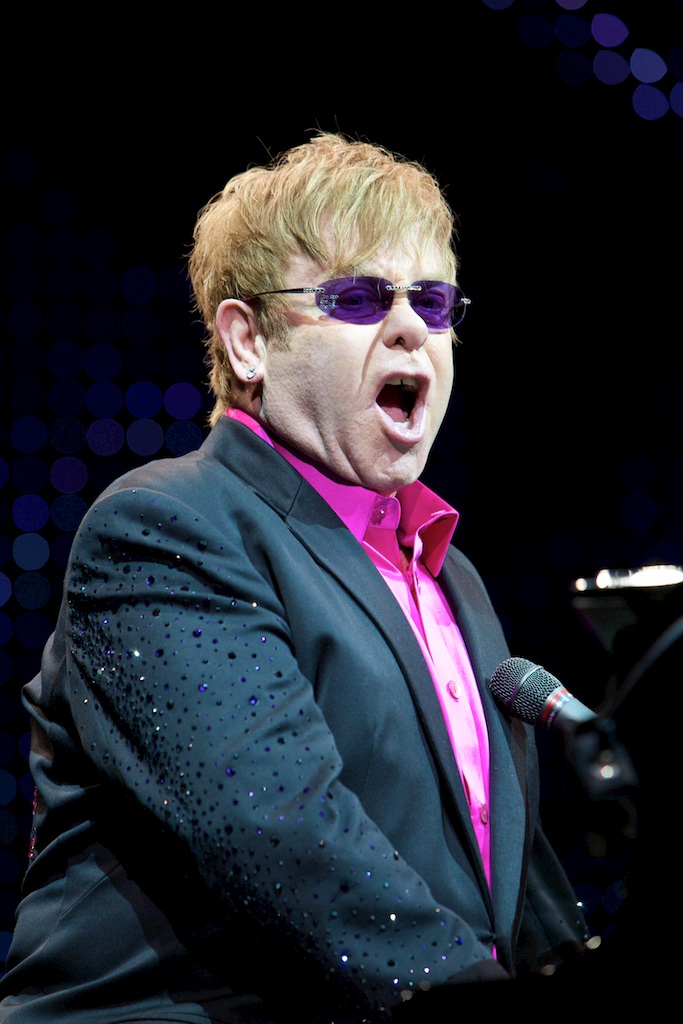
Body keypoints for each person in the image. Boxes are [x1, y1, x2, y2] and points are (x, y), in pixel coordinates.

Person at [0, 132, 590, 1023]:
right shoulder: (168, 526)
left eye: (432, 301)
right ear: (247, 342)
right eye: (358, 297)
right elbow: (272, 826)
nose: (409, 327)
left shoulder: (450, 578)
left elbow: (518, 889)